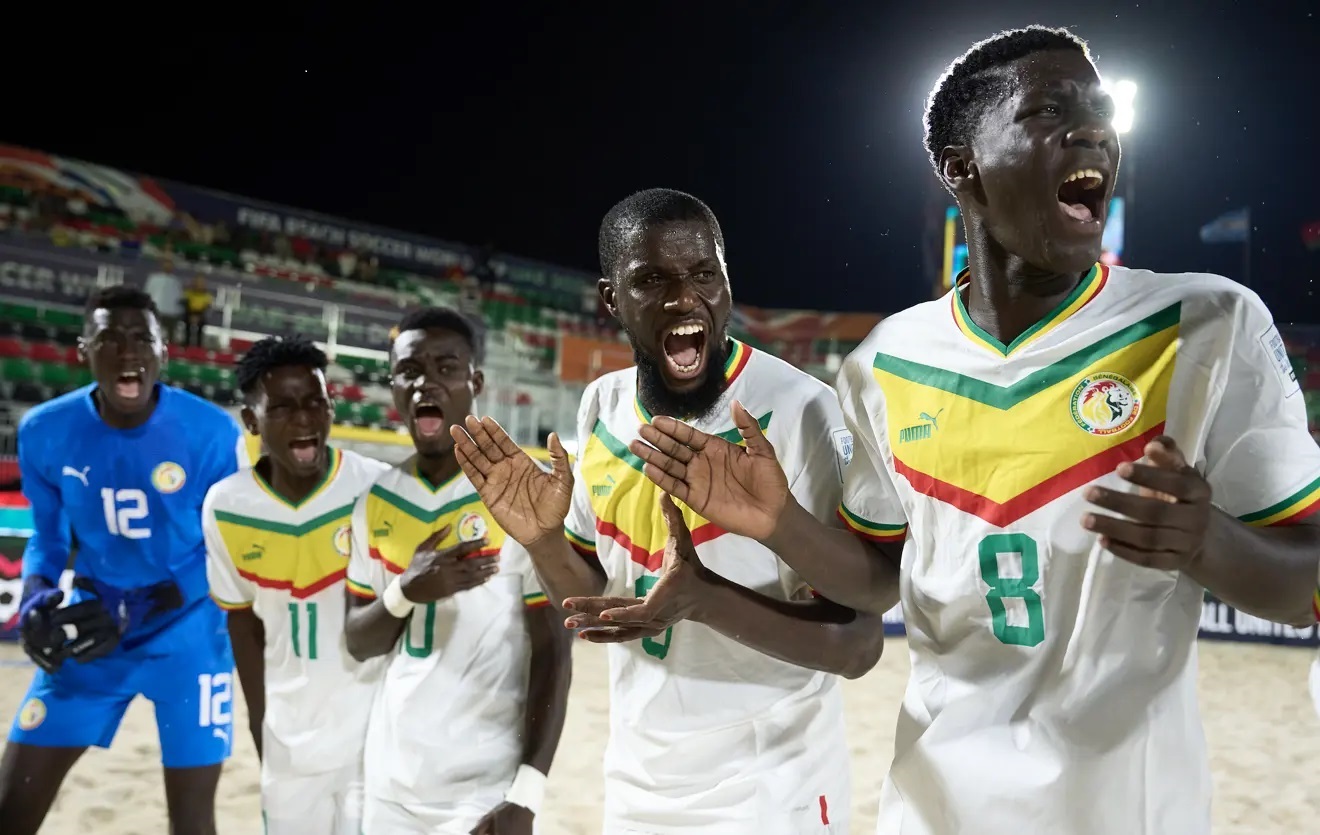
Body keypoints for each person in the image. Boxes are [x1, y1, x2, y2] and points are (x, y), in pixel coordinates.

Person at [622, 26, 1320, 835]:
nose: (1092, 129)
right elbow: (880, 580)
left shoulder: (1206, 323)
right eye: (1050, 110)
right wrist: (782, 524)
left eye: (1101, 113)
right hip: (931, 807)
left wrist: (1208, 542)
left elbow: (1305, 582)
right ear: (962, 166)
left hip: (1131, 810)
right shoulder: (886, 363)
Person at [450, 188, 885, 835]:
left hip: (773, 788)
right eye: (651, 279)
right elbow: (592, 601)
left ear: (727, 280)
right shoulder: (601, 408)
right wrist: (544, 542)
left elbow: (859, 644)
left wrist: (709, 600)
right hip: (637, 783)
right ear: (610, 299)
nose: (684, 299)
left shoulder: (799, 410)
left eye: (703, 274)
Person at [0, 285, 248, 835]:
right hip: (93, 628)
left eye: (143, 338)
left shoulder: (211, 432)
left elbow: (227, 546)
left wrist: (142, 608)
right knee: (10, 809)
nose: (128, 351)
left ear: (164, 352)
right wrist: (38, 597)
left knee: (192, 821)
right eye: (110, 338)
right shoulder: (44, 429)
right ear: (83, 350)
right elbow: (46, 536)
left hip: (190, 635)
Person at [344, 306, 572, 834]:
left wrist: (527, 794)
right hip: (390, 777)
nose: (426, 382)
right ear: (394, 385)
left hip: (484, 788)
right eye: (410, 370)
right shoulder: (376, 501)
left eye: (446, 367)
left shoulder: (522, 493)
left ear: (476, 382)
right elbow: (359, 642)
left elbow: (554, 652)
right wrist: (405, 590)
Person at [203, 335, 390, 835]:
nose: (304, 419)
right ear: (251, 421)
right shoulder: (226, 505)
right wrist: (260, 727)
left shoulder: (376, 487)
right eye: (282, 407)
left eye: (315, 403)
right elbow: (242, 624)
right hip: (288, 737)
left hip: (374, 733)